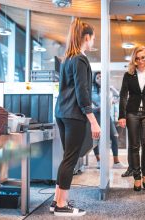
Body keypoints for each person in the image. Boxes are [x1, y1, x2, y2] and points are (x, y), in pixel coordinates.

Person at [51, 18, 101, 217]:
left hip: (62, 113)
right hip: (74, 115)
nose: (93, 42)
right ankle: (62, 206)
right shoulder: (80, 59)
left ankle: (57, 201)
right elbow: (82, 93)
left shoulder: (67, 59)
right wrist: (93, 120)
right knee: (70, 159)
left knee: (67, 158)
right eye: (93, 38)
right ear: (86, 38)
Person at [118, 46, 145, 191]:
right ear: (134, 60)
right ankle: (137, 176)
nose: (141, 60)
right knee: (134, 145)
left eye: (143, 57)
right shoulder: (129, 75)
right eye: (137, 58)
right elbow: (123, 96)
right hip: (132, 113)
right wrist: (122, 115)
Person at [92, 71, 125, 169]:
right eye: (97, 77)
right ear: (94, 79)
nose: (100, 79)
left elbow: (119, 96)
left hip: (106, 115)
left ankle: (116, 162)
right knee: (96, 139)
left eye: (102, 77)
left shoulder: (108, 89)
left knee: (114, 136)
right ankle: (99, 161)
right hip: (96, 115)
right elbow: (95, 103)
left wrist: (111, 88)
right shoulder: (92, 90)